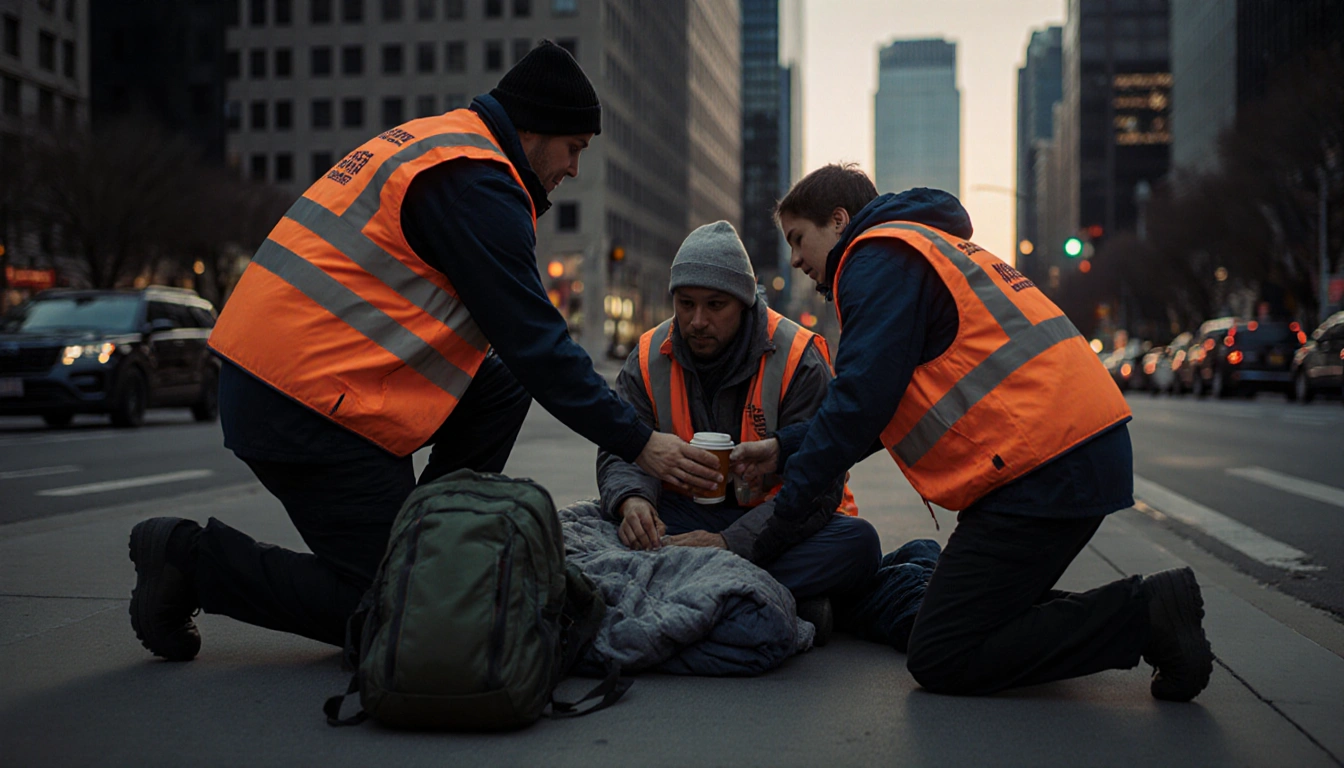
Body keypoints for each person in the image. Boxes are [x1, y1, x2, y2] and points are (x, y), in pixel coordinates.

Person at [127, 41, 722, 662]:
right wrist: (640, 442)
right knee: (399, 607)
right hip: (300, 400)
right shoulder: (478, 185)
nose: (574, 168)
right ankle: (188, 561)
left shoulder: (445, 147)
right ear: (534, 130)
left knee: (502, 385)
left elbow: (518, 356)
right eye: (573, 148)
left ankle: (430, 534)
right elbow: (538, 345)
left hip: (308, 379)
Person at [730, 164, 1213, 701]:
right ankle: (1152, 612)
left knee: (941, 652)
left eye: (799, 239)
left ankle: (1147, 616)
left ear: (839, 220)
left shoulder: (875, 257)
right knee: (971, 612)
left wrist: (778, 529)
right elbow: (880, 409)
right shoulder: (920, 245)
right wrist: (783, 450)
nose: (795, 259)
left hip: (1045, 468)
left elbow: (859, 402)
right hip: (1067, 454)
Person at [597, 220, 882, 643]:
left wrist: (728, 543)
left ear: (745, 304)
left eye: (715, 305)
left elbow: (820, 487)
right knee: (607, 520)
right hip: (681, 515)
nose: (697, 321)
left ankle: (690, 582)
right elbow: (620, 447)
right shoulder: (646, 357)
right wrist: (633, 501)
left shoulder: (798, 358)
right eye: (686, 303)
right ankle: (768, 594)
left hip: (779, 523)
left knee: (858, 544)